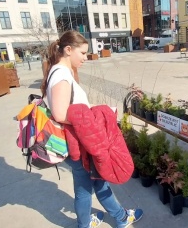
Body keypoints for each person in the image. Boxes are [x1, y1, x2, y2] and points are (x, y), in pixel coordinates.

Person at [40, 31, 143, 228]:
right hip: (78, 143)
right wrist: (96, 116)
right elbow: (61, 114)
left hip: (77, 141)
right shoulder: (61, 75)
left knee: (96, 182)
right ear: (68, 50)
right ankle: (99, 222)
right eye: (83, 53)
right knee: (87, 187)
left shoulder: (57, 71)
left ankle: (112, 218)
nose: (86, 58)